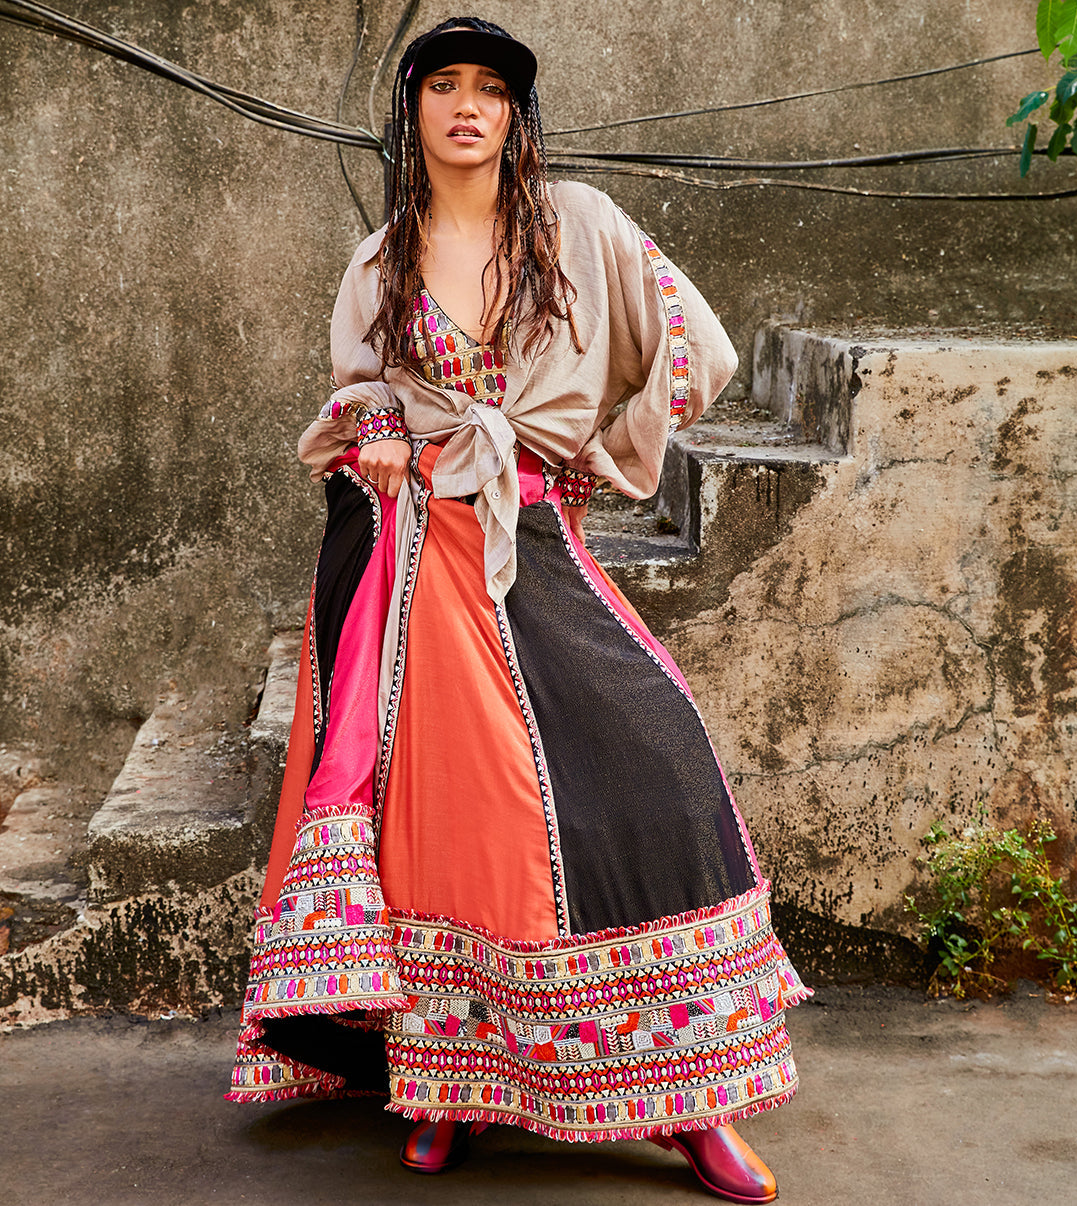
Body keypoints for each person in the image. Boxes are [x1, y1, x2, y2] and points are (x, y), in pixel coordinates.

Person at [228, 18, 808, 1203]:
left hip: (528, 538)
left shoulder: (580, 227)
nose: (468, 106)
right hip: (404, 565)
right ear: (414, 108)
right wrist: (384, 427)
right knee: (449, 827)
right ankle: (451, 1086)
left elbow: (698, 349)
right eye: (444, 84)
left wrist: (590, 452)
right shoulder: (378, 260)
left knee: (658, 754)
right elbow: (357, 396)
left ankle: (690, 1099)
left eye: (491, 89)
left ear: (515, 116)